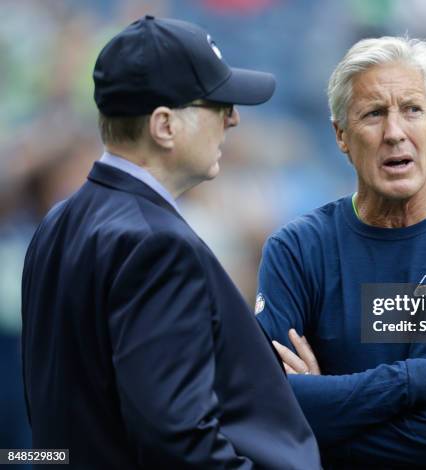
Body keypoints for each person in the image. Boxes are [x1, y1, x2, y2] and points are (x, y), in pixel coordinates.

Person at [21, 15, 320, 469]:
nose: (233, 119)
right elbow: (178, 442)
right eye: (218, 104)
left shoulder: (60, 220)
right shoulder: (156, 245)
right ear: (164, 126)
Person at [256, 36, 426, 469]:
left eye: (412, 110)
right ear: (341, 136)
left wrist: (326, 425)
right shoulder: (297, 250)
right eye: (373, 114)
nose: (394, 133)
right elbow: (265, 408)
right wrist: (423, 379)